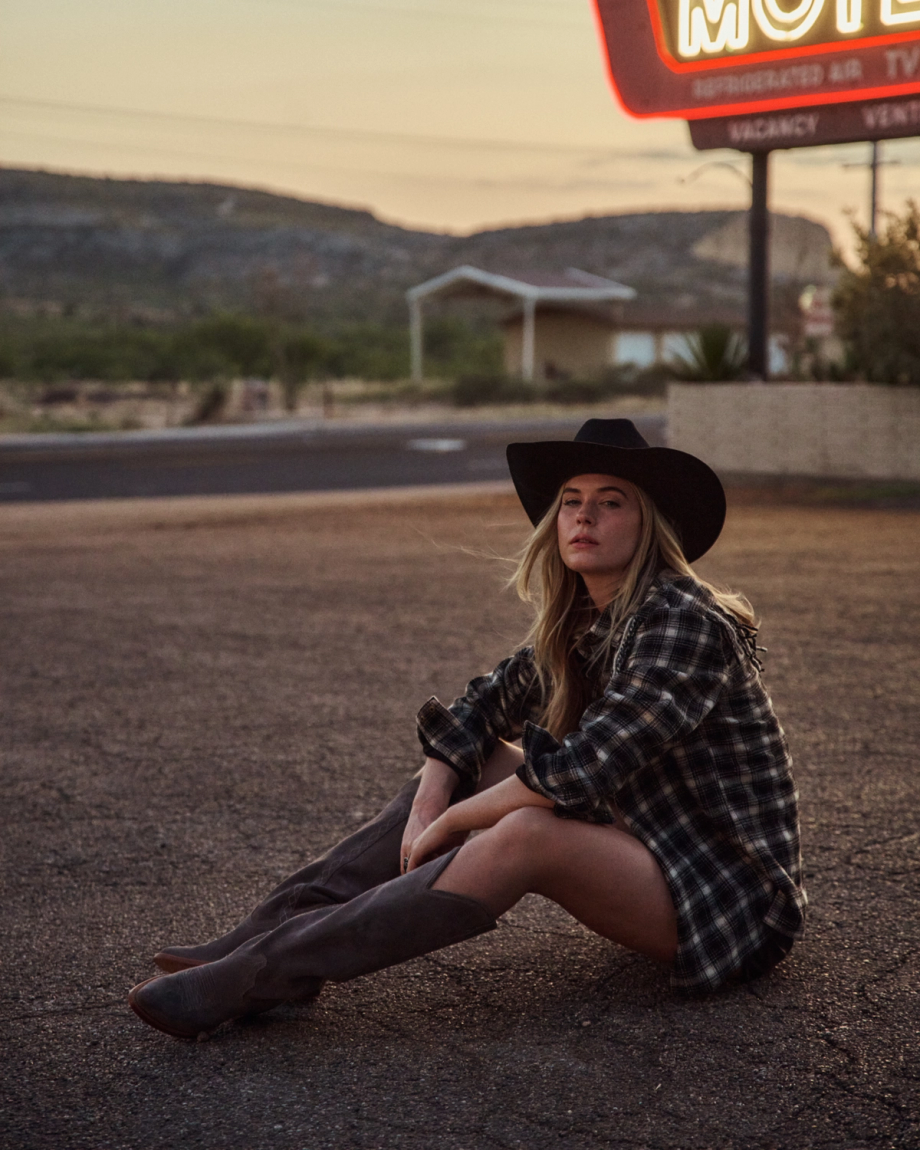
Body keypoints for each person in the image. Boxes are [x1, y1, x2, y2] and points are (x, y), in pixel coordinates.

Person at [128, 418, 805, 1040]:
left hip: (727, 901)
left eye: (611, 501)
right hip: (652, 846)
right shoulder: (585, 622)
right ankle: (258, 937)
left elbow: (581, 770)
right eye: (571, 501)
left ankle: (264, 972)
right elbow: (478, 710)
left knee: (528, 832)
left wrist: (452, 823)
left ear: (649, 523)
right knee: (470, 768)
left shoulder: (682, 619)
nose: (584, 516)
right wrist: (431, 801)